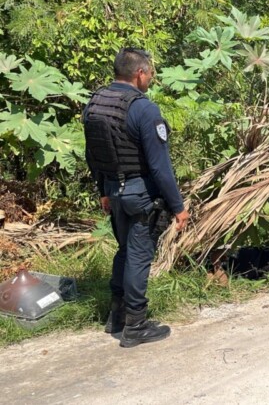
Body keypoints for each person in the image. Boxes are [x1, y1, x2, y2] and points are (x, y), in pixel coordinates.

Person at [83, 47, 190, 348]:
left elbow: (92, 154)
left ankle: (115, 317)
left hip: (113, 192)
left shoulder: (95, 103)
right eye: (151, 72)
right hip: (141, 196)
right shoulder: (144, 109)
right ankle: (136, 326)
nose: (152, 78)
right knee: (139, 256)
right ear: (140, 73)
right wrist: (179, 207)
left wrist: (104, 190)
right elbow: (160, 167)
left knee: (124, 251)